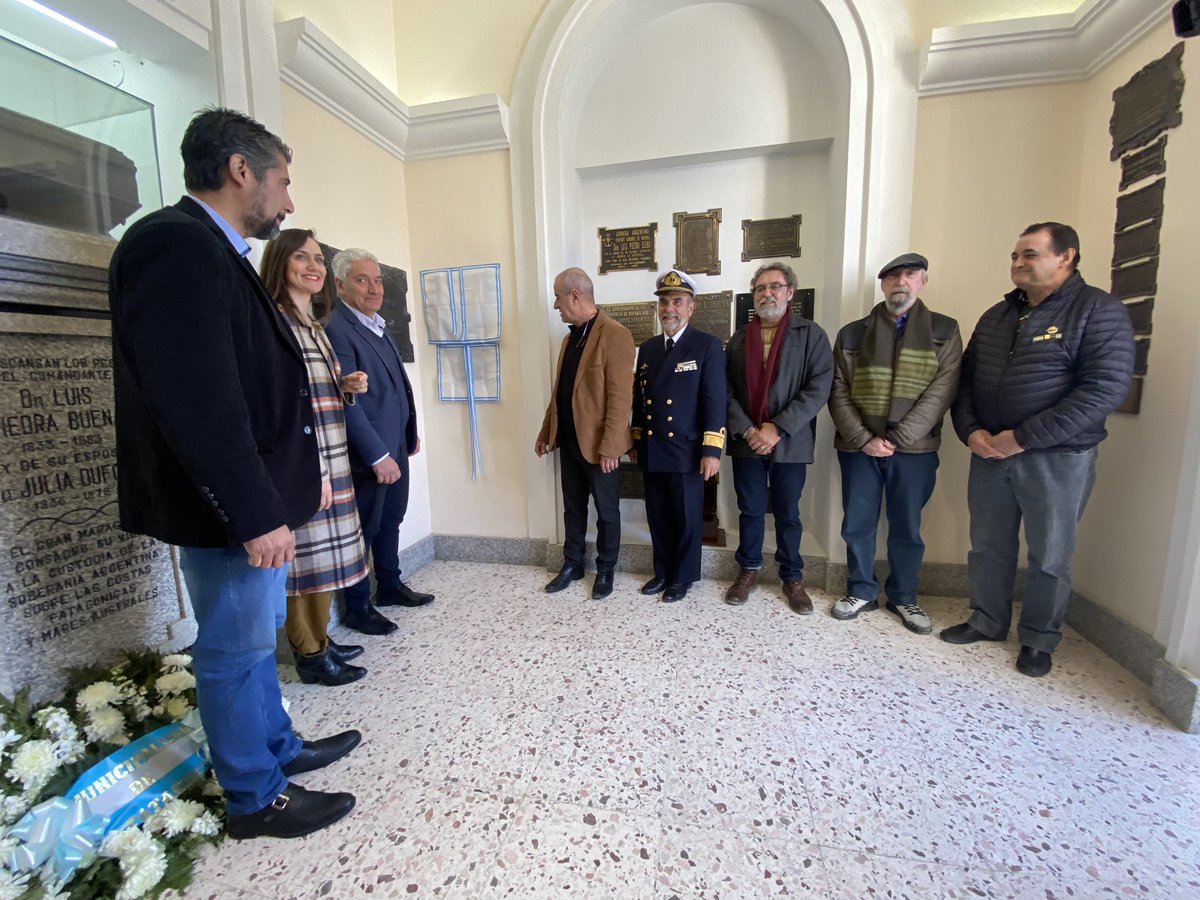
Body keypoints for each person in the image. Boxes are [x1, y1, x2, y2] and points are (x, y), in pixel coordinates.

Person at [109, 107, 358, 839]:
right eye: (282, 181)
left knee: (254, 641)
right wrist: (253, 512)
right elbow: (198, 398)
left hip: (253, 499)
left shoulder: (213, 252)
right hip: (228, 510)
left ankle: (277, 748)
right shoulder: (174, 245)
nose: (287, 202)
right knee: (231, 648)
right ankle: (254, 797)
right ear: (240, 170)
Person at [944, 222, 1134, 677]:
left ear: (1066, 256)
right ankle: (987, 620)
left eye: (1029, 254)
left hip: (1057, 457)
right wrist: (971, 432)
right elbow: (966, 382)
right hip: (989, 453)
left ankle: (1038, 639)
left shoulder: (1097, 311)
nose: (1017, 263)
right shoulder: (998, 315)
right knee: (987, 546)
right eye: (1014, 256)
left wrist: (1022, 437)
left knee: (1050, 552)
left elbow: (1103, 390)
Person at [827, 253, 962, 635]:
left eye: (910, 274)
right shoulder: (852, 334)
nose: (901, 281)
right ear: (883, 284)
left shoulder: (944, 330)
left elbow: (943, 390)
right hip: (860, 448)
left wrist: (899, 437)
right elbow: (837, 391)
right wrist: (865, 438)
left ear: (922, 281)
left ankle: (904, 596)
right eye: (893, 276)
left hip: (914, 450)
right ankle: (860, 591)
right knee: (857, 523)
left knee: (907, 526)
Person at [260, 229, 370, 685]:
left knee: (325, 559)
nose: (314, 266)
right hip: (307, 463)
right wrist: (310, 471)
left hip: (331, 455)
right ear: (280, 262)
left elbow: (314, 391)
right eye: (302, 257)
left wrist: (345, 387)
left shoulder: (313, 324)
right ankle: (309, 655)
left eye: (319, 259)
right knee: (304, 561)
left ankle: (322, 638)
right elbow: (282, 403)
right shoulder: (276, 323)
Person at [324, 248, 433, 637]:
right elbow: (346, 403)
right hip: (369, 457)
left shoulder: (377, 325)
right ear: (339, 285)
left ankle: (388, 585)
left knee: (391, 520)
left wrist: (409, 431)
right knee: (364, 529)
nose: (373, 288)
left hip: (396, 446)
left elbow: (394, 388)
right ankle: (357, 607)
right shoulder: (337, 329)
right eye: (361, 280)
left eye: (377, 280)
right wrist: (378, 454)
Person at [724, 262, 833, 612]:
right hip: (747, 440)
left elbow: (819, 387)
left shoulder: (811, 334)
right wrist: (749, 429)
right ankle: (749, 570)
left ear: (790, 292)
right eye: (760, 288)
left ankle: (792, 576)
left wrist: (777, 427)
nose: (766, 293)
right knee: (750, 509)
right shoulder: (740, 339)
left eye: (774, 286)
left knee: (788, 511)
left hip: (791, 440)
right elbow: (724, 390)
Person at [535, 267, 635, 600]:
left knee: (607, 512)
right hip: (569, 442)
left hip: (599, 447)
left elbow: (621, 400)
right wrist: (546, 432)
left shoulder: (615, 335)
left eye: (558, 297)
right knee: (573, 508)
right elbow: (560, 393)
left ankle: (605, 569)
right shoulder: (569, 338)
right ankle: (573, 564)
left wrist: (610, 448)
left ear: (575, 295)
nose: (555, 305)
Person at [629, 270, 726, 603]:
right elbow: (640, 398)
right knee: (657, 513)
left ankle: (682, 577)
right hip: (654, 447)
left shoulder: (707, 345)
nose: (669, 308)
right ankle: (662, 571)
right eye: (664, 302)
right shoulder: (650, 348)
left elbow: (715, 400)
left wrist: (712, 450)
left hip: (687, 449)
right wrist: (637, 438)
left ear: (691, 308)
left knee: (686, 517)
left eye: (677, 302)